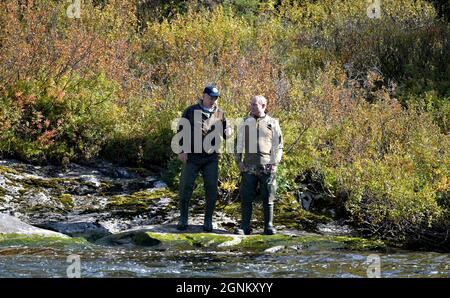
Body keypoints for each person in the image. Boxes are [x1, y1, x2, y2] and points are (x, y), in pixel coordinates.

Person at [175, 84, 230, 232]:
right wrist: (181, 150)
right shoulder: (191, 111)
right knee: (186, 187)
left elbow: (226, 134)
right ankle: (183, 218)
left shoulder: (220, 113)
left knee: (211, 188)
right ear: (204, 96)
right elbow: (181, 131)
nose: (213, 100)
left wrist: (228, 130)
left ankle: (208, 221)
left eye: (215, 98)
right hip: (192, 155)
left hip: (211, 157)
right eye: (211, 97)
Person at [234, 95, 283, 235]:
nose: (251, 106)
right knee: (246, 197)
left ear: (263, 106)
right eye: (251, 104)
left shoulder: (272, 122)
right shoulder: (244, 122)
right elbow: (238, 144)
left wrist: (275, 163)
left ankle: (268, 226)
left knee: (268, 197)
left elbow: (279, 145)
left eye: (255, 104)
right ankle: (245, 227)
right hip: (248, 167)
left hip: (267, 167)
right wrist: (239, 162)